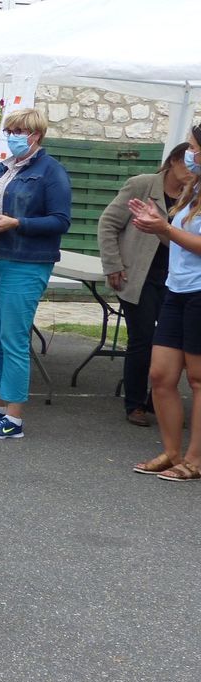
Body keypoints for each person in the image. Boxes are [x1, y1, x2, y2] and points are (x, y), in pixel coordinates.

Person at [0, 108, 72, 440]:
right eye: (9, 130)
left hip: (24, 262)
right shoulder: (1, 166)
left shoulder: (51, 171)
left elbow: (60, 220)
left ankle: (15, 417)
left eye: (19, 131)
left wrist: (17, 223)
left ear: (36, 135)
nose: (12, 136)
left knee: (13, 339)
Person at [98, 142, 194, 427]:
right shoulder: (141, 184)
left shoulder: (194, 194)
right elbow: (108, 223)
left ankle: (158, 399)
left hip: (177, 279)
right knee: (142, 339)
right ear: (174, 160)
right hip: (139, 276)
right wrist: (113, 264)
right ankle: (135, 403)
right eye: (187, 160)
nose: (192, 168)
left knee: (172, 344)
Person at [128, 123, 201, 480]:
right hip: (178, 289)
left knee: (198, 380)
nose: (188, 154)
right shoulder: (193, 189)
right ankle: (172, 452)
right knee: (160, 374)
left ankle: (195, 460)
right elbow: (181, 242)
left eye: (193, 147)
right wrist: (156, 224)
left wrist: (165, 228)